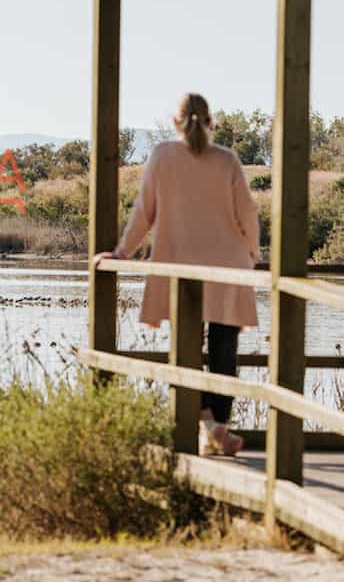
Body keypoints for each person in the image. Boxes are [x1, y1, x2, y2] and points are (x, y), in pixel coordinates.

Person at [99, 93, 261, 456]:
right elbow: (247, 214)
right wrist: (252, 252)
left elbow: (145, 212)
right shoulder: (227, 160)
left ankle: (205, 424)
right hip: (228, 267)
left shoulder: (162, 156)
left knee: (187, 349)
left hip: (181, 267)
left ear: (176, 121)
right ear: (211, 122)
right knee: (224, 348)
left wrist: (123, 252)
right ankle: (215, 424)